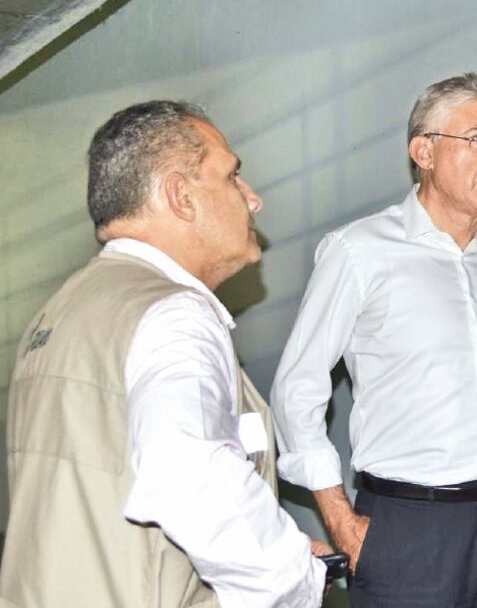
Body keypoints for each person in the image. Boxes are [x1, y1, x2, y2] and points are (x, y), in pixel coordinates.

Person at [0, 101, 330, 607]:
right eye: (233, 176)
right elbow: (188, 472)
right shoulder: (174, 315)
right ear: (181, 196)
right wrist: (292, 577)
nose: (253, 199)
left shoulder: (59, 311)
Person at [270, 72, 477, 607]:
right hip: (408, 529)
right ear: (423, 151)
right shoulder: (360, 251)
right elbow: (298, 388)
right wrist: (342, 521)